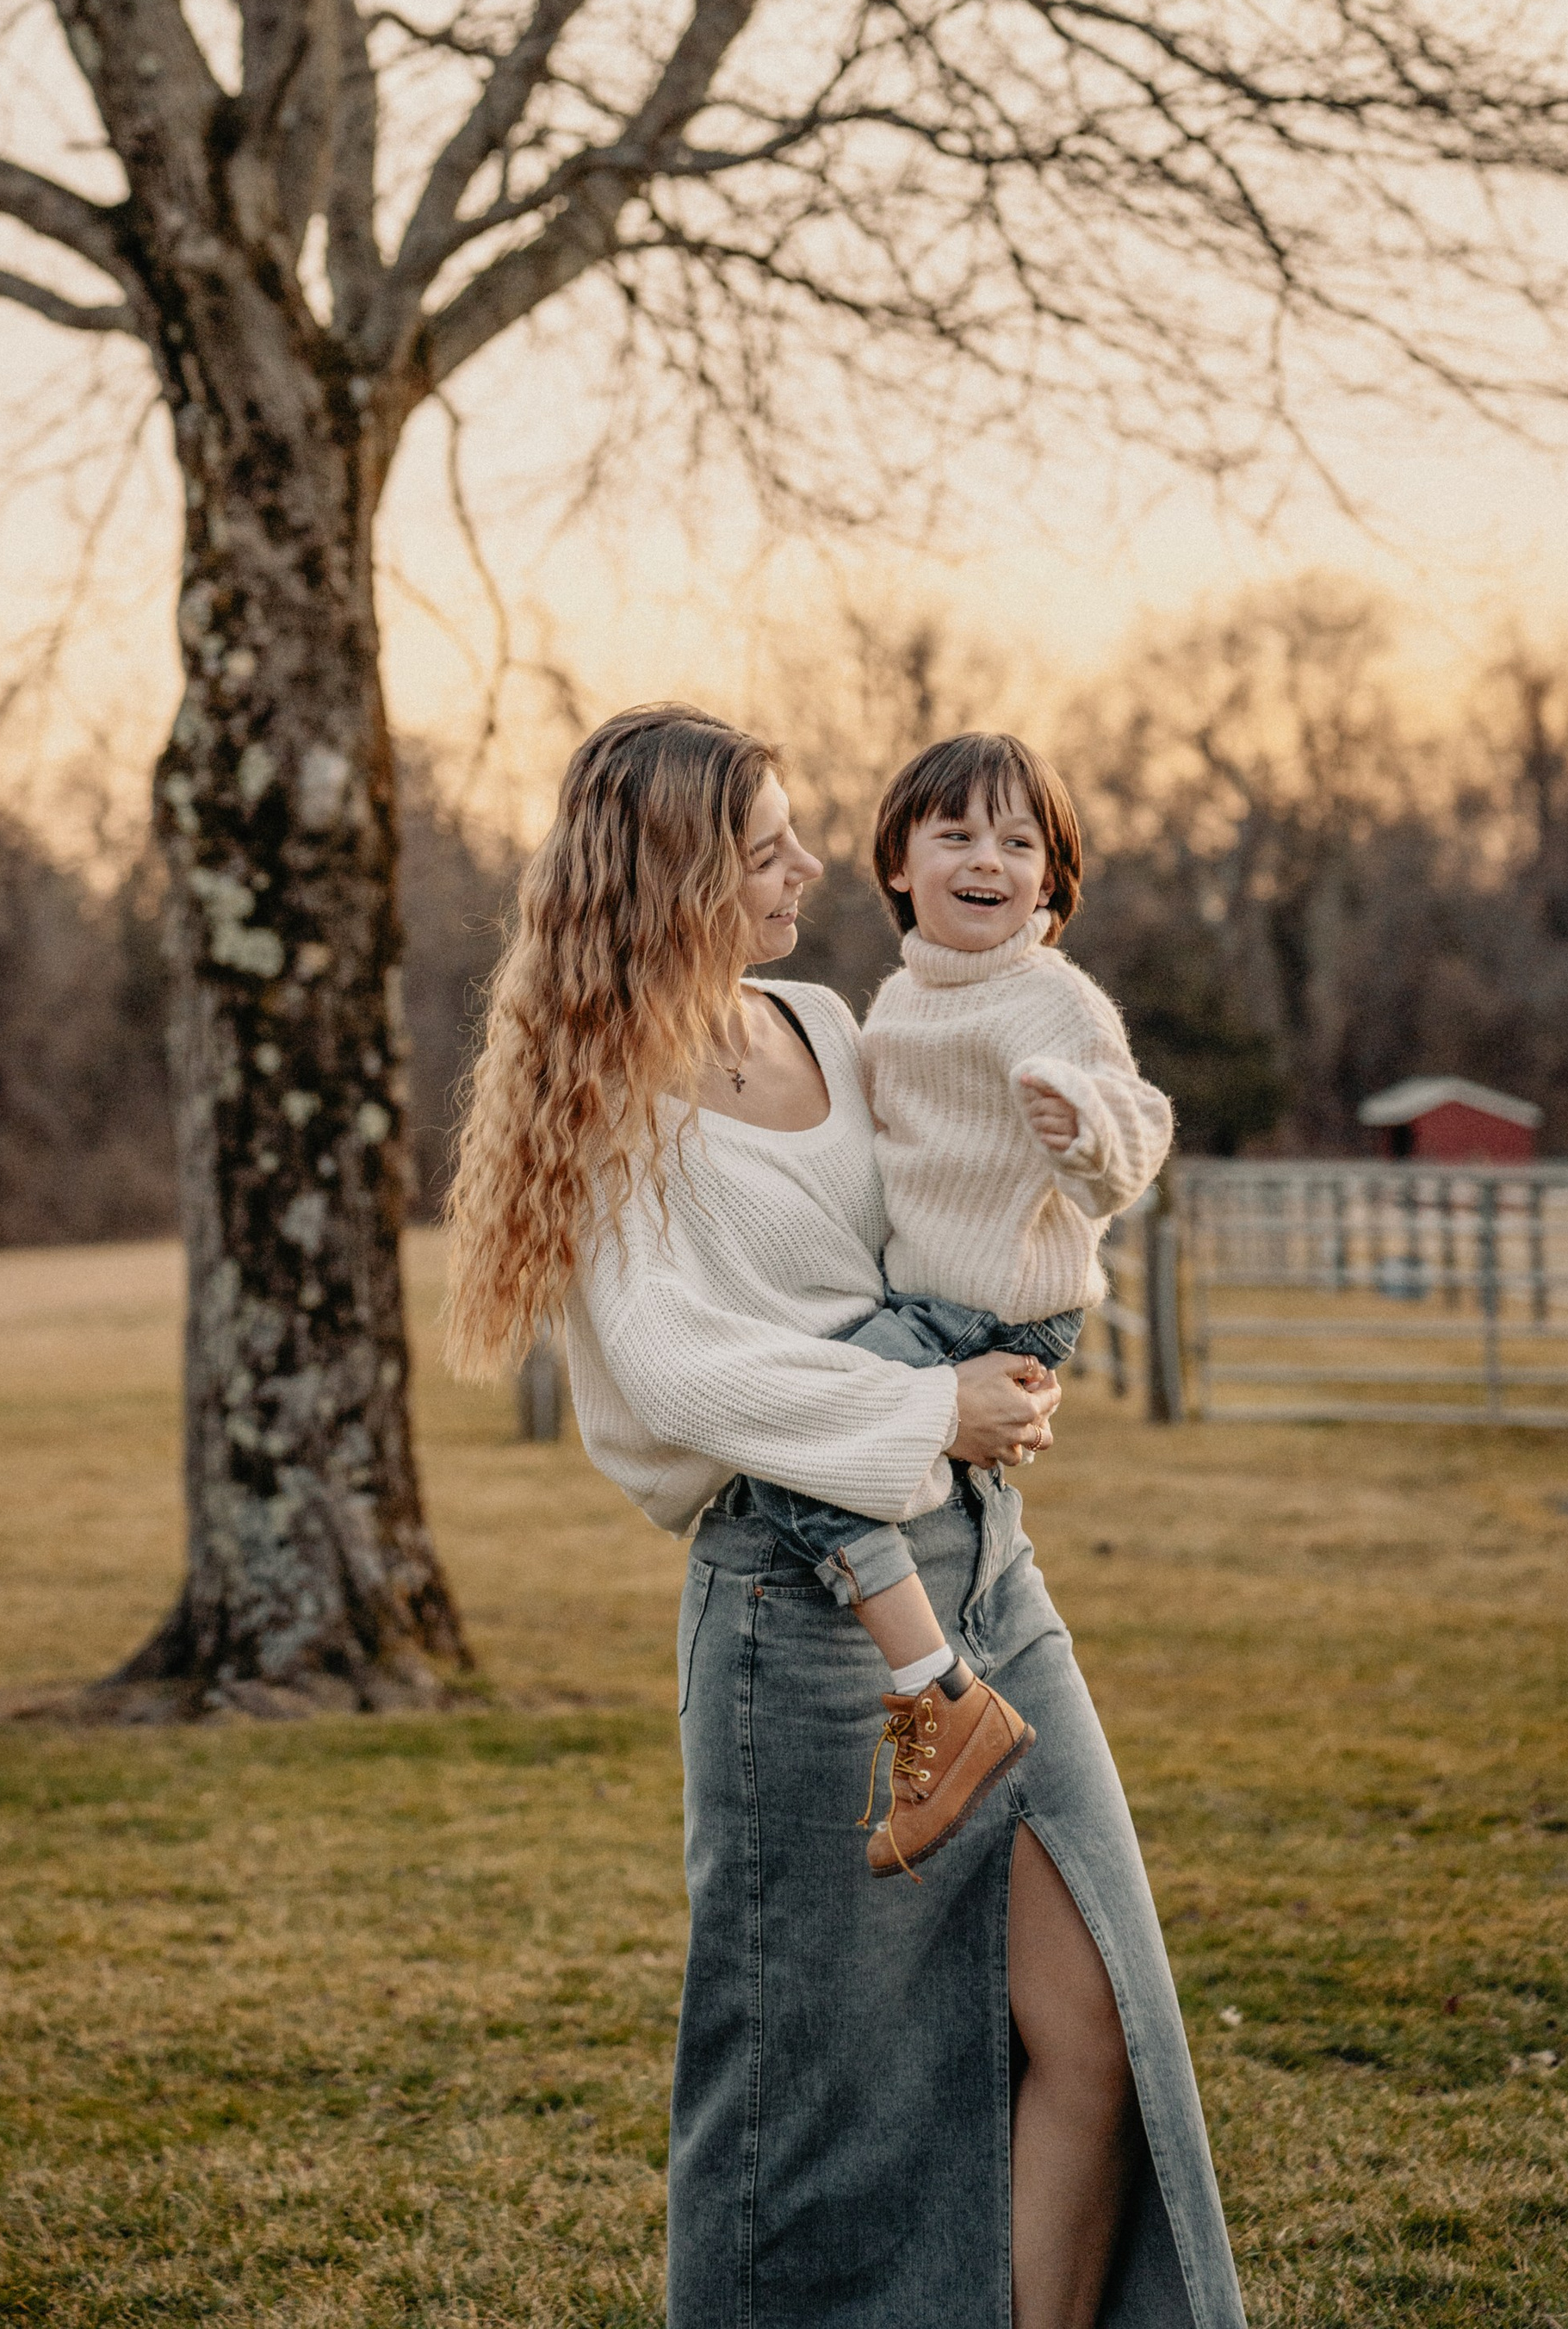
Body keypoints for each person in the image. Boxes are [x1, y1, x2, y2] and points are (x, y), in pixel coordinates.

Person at [444, 705, 1246, 2329]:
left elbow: (952, 1220)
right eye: (765, 851)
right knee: (803, 2103)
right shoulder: (609, 1098)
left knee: (1098, 2032)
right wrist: (921, 1410)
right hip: (798, 1630)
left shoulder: (824, 1013)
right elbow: (682, 1373)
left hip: (987, 1571)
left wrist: (1024, 1316)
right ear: (676, 880)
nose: (811, 866)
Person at [736, 730, 1174, 1875]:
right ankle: (938, 1696)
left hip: (995, 1310)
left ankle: (940, 1698)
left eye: (1021, 843)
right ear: (899, 862)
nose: (992, 860)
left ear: (1051, 878)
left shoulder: (1050, 1001)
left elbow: (1139, 1125)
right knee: (810, 1443)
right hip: (927, 1301)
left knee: (795, 1439)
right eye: (959, 835)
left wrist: (1087, 1134)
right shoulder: (900, 1002)